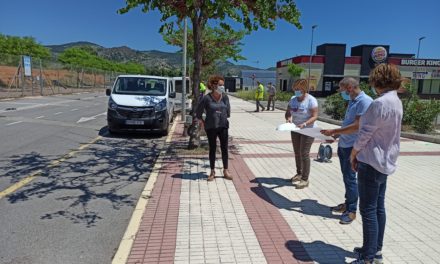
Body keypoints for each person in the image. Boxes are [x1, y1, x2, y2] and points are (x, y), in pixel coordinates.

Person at [349, 64, 403, 264]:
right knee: (378, 207)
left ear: (377, 81)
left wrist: (353, 153)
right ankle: (373, 249)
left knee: (368, 210)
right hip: (385, 161)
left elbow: (365, 133)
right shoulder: (396, 101)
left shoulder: (379, 103)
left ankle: (368, 258)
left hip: (371, 161)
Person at [321, 77, 373, 225]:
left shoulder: (364, 101)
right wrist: (336, 135)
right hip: (345, 144)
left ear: (349, 88)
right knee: (347, 178)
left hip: (353, 147)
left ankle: (351, 211)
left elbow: (357, 125)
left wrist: (334, 130)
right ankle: (348, 202)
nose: (340, 92)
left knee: (350, 179)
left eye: (342, 89)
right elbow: (348, 123)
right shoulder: (353, 100)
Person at [195, 75, 232, 182]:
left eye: (223, 85)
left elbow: (228, 112)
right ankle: (212, 171)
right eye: (220, 85)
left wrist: (221, 113)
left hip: (223, 125)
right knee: (213, 148)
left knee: (224, 148)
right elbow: (198, 112)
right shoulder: (207, 98)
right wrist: (202, 121)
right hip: (211, 127)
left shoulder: (225, 97)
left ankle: (226, 170)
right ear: (214, 85)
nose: (222, 87)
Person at [285, 79, 318, 189]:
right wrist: (288, 118)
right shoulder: (293, 99)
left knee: (304, 153)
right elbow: (288, 112)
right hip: (295, 128)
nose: (296, 91)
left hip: (308, 129)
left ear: (304, 89)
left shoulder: (311, 100)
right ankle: (299, 173)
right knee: (297, 152)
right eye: (295, 89)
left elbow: (315, 116)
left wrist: (304, 124)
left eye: (298, 89)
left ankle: (305, 179)